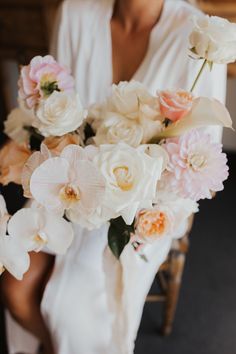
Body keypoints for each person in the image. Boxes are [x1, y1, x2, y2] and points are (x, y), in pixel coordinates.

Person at [1, 0, 227, 353]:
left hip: (142, 210)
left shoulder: (200, 37)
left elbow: (203, 165)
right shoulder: (76, 13)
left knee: (73, 306)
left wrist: (126, 200)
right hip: (68, 185)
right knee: (15, 287)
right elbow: (57, 118)